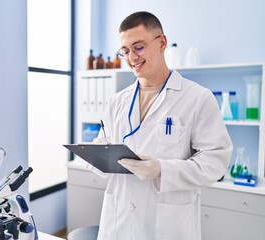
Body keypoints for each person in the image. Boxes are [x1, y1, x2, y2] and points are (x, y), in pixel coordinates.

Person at [93, 11, 233, 240]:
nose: (131, 58)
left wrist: (162, 170)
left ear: (162, 42)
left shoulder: (197, 97)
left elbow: (215, 163)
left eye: (138, 47)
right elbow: (103, 142)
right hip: (118, 223)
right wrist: (97, 154)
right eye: (125, 51)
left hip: (167, 226)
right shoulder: (116, 101)